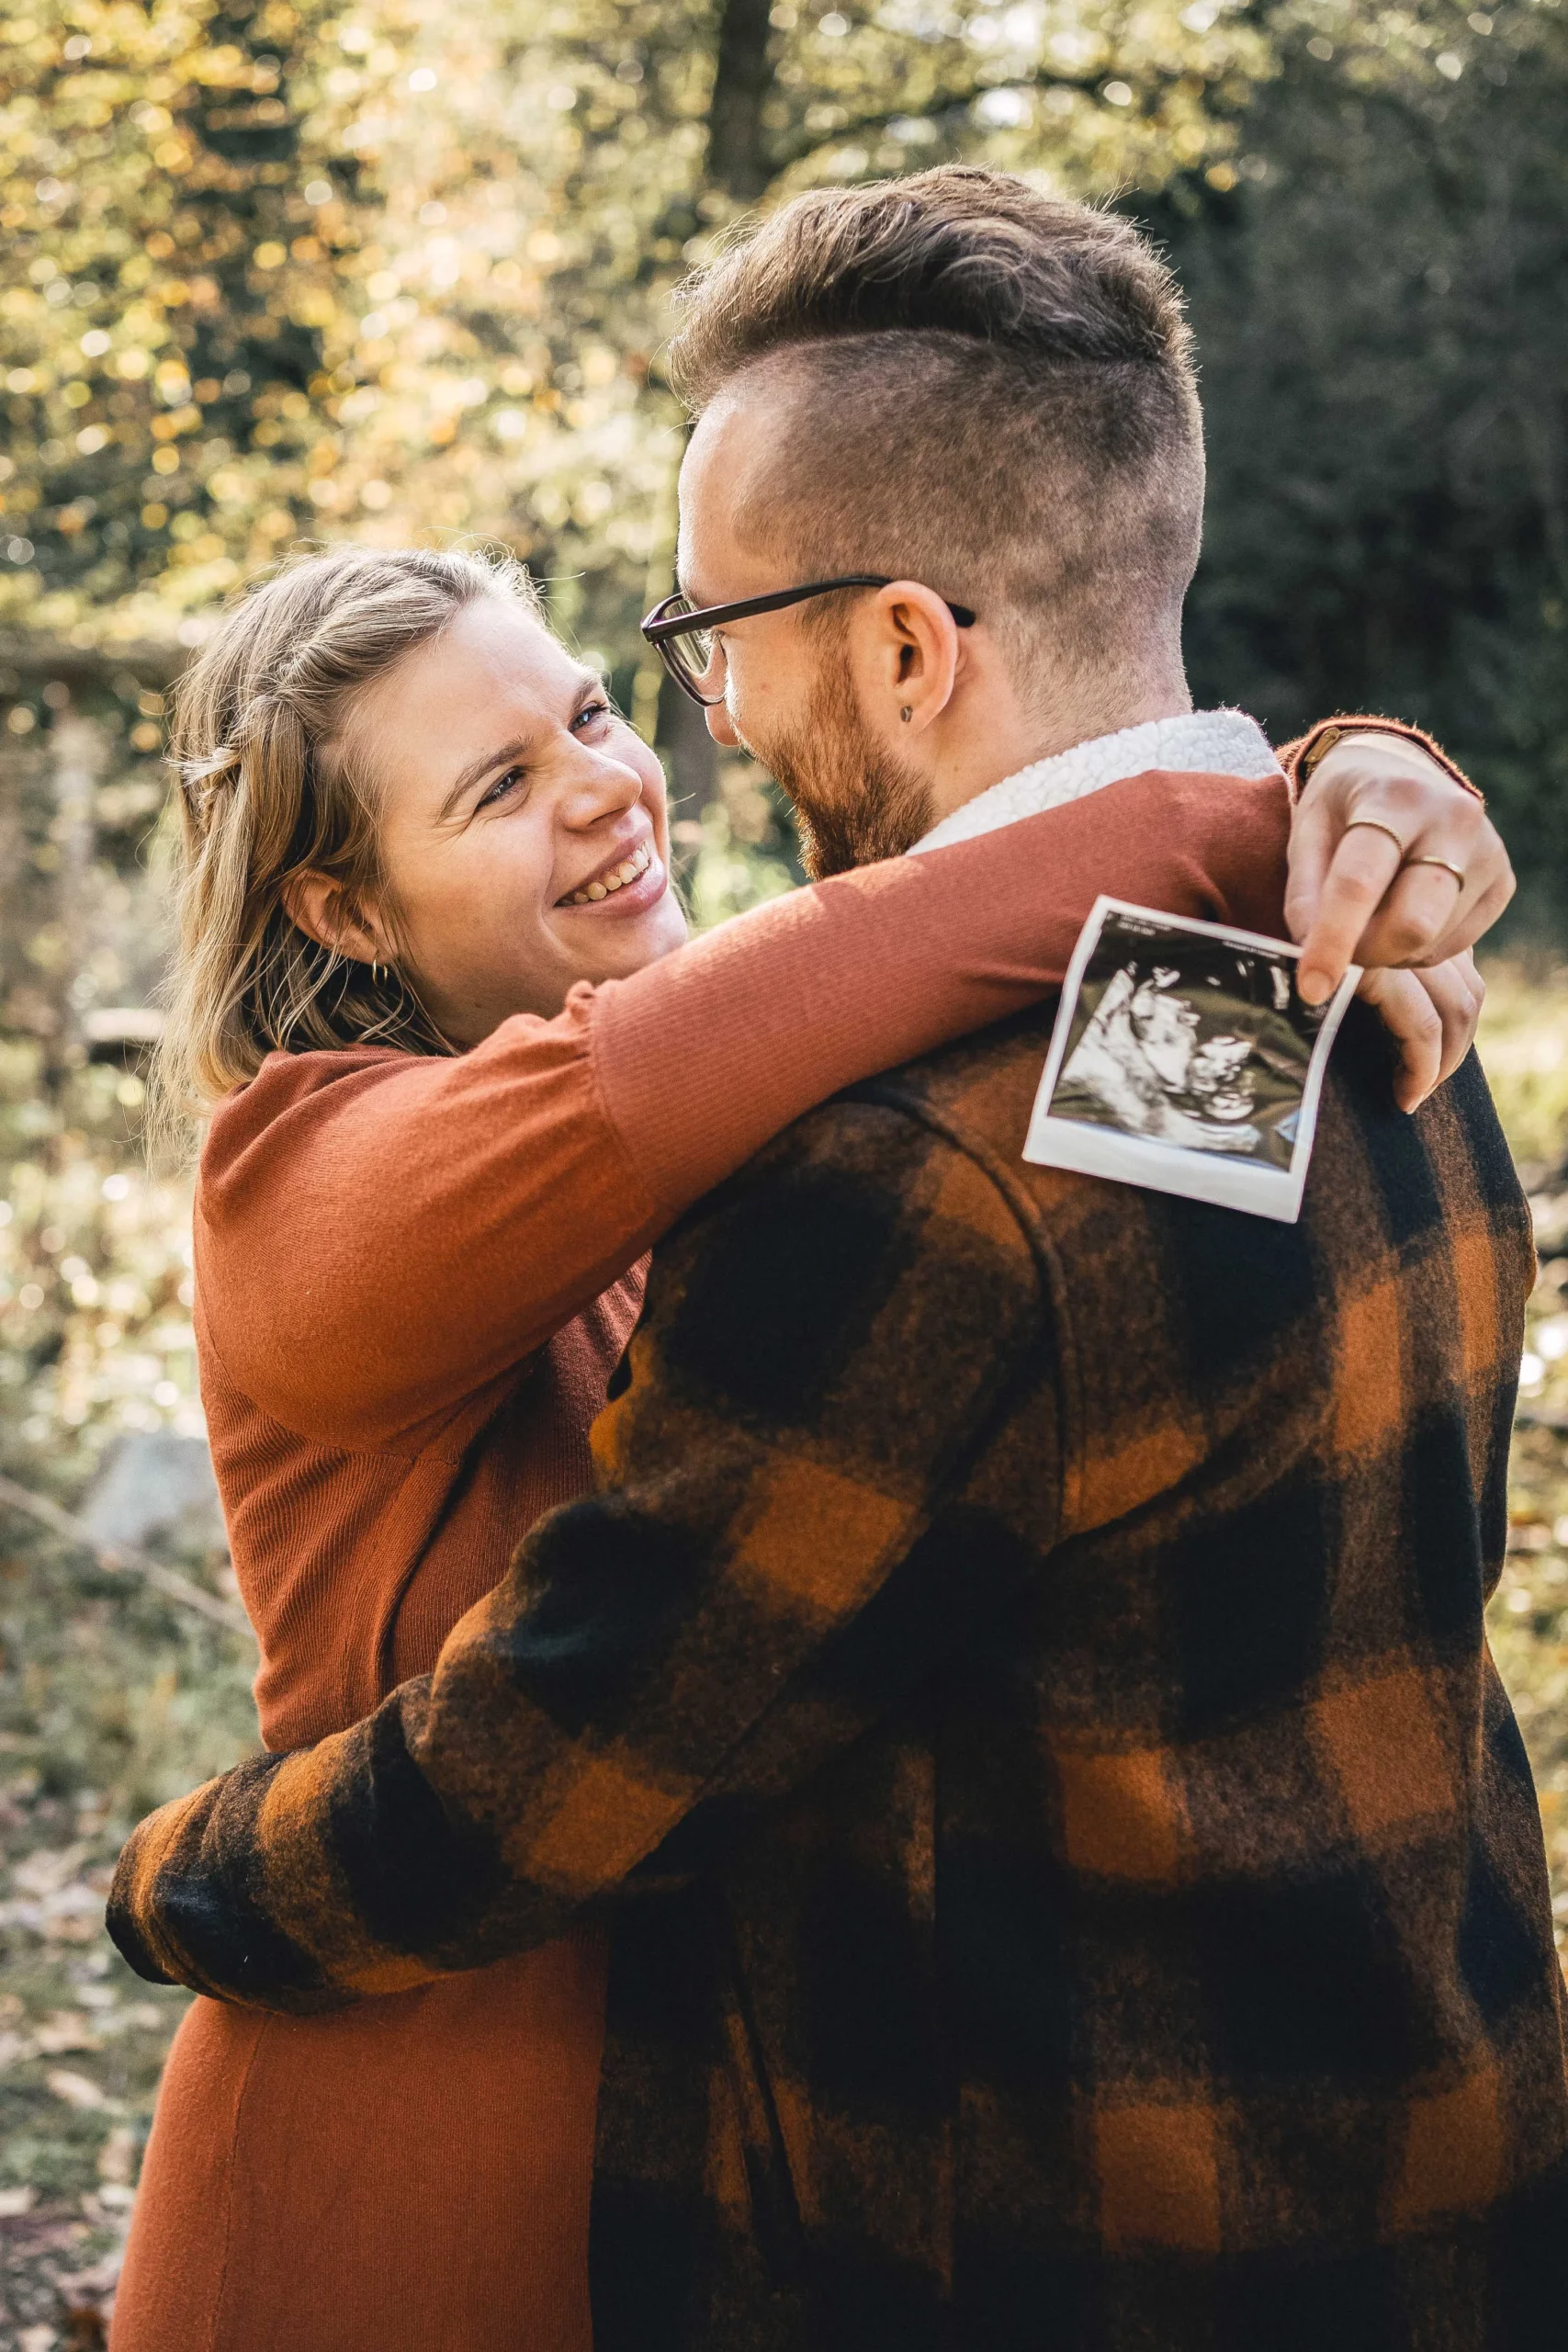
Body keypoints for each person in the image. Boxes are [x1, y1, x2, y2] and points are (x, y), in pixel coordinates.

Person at [107, 171, 1550, 2352]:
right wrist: (1269, 797)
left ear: (900, 643)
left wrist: (168, 1875)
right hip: (1400, 2169)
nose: (678, 747)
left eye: (682, 660)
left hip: (1081, 2247)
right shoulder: (1322, 1001)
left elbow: (551, 1768)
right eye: (504, 778)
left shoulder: (913, 1180)